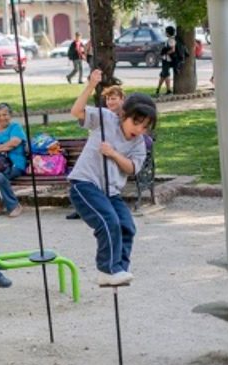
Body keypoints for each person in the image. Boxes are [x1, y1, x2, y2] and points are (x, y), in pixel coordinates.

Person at [69, 69, 157, 286]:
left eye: (145, 126)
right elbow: (76, 111)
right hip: (85, 183)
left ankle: (119, 270)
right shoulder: (105, 119)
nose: (140, 129)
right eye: (136, 123)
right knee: (109, 221)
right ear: (124, 115)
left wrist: (114, 153)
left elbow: (132, 169)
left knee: (127, 226)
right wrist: (91, 85)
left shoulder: (139, 144)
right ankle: (107, 270)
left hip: (111, 192)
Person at [67, 85, 126, 220]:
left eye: (113, 98)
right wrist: (92, 84)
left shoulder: (126, 120)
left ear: (122, 99)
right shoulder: (103, 116)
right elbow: (77, 111)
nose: (110, 102)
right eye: (108, 99)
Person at [156, 26, 179, 97]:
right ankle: (158, 89)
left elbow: (173, 50)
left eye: (166, 31)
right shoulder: (170, 39)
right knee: (163, 74)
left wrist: (165, 52)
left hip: (167, 59)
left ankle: (168, 90)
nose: (165, 33)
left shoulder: (171, 40)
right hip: (165, 59)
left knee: (166, 74)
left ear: (168, 32)